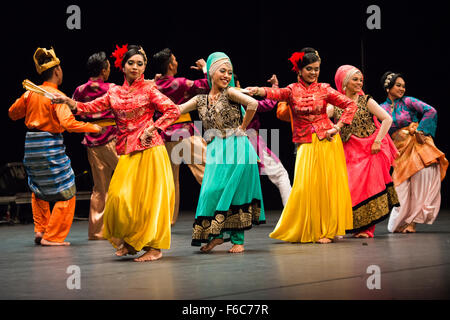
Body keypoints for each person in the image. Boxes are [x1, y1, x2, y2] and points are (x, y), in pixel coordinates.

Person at [52, 44, 180, 261]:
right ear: (123, 66)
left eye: (140, 64)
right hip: (127, 151)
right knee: (120, 198)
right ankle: (130, 241)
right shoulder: (114, 92)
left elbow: (173, 110)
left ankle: (154, 248)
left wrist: (154, 127)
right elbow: (90, 107)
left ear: (144, 67)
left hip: (150, 149)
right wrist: (69, 102)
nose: (135, 67)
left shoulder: (149, 90)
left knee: (148, 202)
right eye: (131, 63)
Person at [246, 48, 357, 244]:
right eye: (309, 69)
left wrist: (337, 127)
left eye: (316, 69)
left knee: (327, 187)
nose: (314, 73)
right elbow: (275, 93)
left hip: (327, 141)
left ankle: (328, 229)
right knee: (305, 187)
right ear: (299, 70)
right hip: (305, 142)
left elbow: (350, 105)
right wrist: (256, 90)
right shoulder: (291, 90)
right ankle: (311, 227)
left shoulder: (324, 88)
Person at [8, 47, 102, 246]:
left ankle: (41, 230)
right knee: (67, 190)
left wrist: (29, 104)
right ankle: (52, 237)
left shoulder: (30, 94)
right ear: (57, 71)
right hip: (48, 146)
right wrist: (94, 127)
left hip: (31, 146)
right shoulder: (56, 96)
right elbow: (68, 124)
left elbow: (12, 113)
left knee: (38, 188)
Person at [178, 52, 265, 253]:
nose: (227, 75)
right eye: (222, 71)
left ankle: (238, 240)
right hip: (216, 148)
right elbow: (178, 109)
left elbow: (253, 104)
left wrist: (243, 126)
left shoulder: (231, 93)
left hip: (237, 147)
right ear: (210, 72)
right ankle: (216, 236)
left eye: (230, 72)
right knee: (211, 191)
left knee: (234, 192)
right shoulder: (201, 99)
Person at [329, 65, 399, 238]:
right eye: (355, 79)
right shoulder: (335, 103)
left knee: (369, 189)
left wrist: (377, 141)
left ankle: (367, 230)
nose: (359, 82)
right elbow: (321, 117)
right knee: (350, 189)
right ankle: (347, 224)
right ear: (344, 82)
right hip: (348, 152)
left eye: (361, 80)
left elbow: (387, 119)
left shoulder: (365, 100)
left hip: (370, 150)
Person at [380, 72, 448, 233]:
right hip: (399, 151)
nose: (402, 88)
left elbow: (430, 111)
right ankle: (402, 221)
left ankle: (412, 222)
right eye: (398, 85)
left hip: (417, 146)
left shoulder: (408, 101)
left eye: (403, 86)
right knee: (400, 188)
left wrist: (422, 130)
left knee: (420, 185)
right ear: (388, 87)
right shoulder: (381, 108)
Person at [152, 48, 208, 225]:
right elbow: (207, 86)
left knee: (169, 178)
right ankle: (222, 208)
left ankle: (167, 220)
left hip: (163, 135)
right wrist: (205, 68)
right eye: (174, 60)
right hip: (183, 132)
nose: (177, 63)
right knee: (208, 169)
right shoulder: (181, 83)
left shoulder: (153, 85)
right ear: (170, 65)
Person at [72, 52, 119, 240]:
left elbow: (73, 110)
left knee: (100, 188)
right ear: (103, 70)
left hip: (91, 141)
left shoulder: (79, 90)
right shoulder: (112, 88)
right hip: (113, 139)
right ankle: (129, 225)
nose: (109, 70)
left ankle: (98, 233)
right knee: (129, 180)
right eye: (107, 67)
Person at [235, 73, 292, 206]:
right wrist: (275, 86)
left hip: (229, 144)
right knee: (280, 175)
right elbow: (268, 104)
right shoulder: (242, 96)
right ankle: (291, 212)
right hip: (250, 142)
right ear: (236, 84)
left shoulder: (218, 99)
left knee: (235, 181)